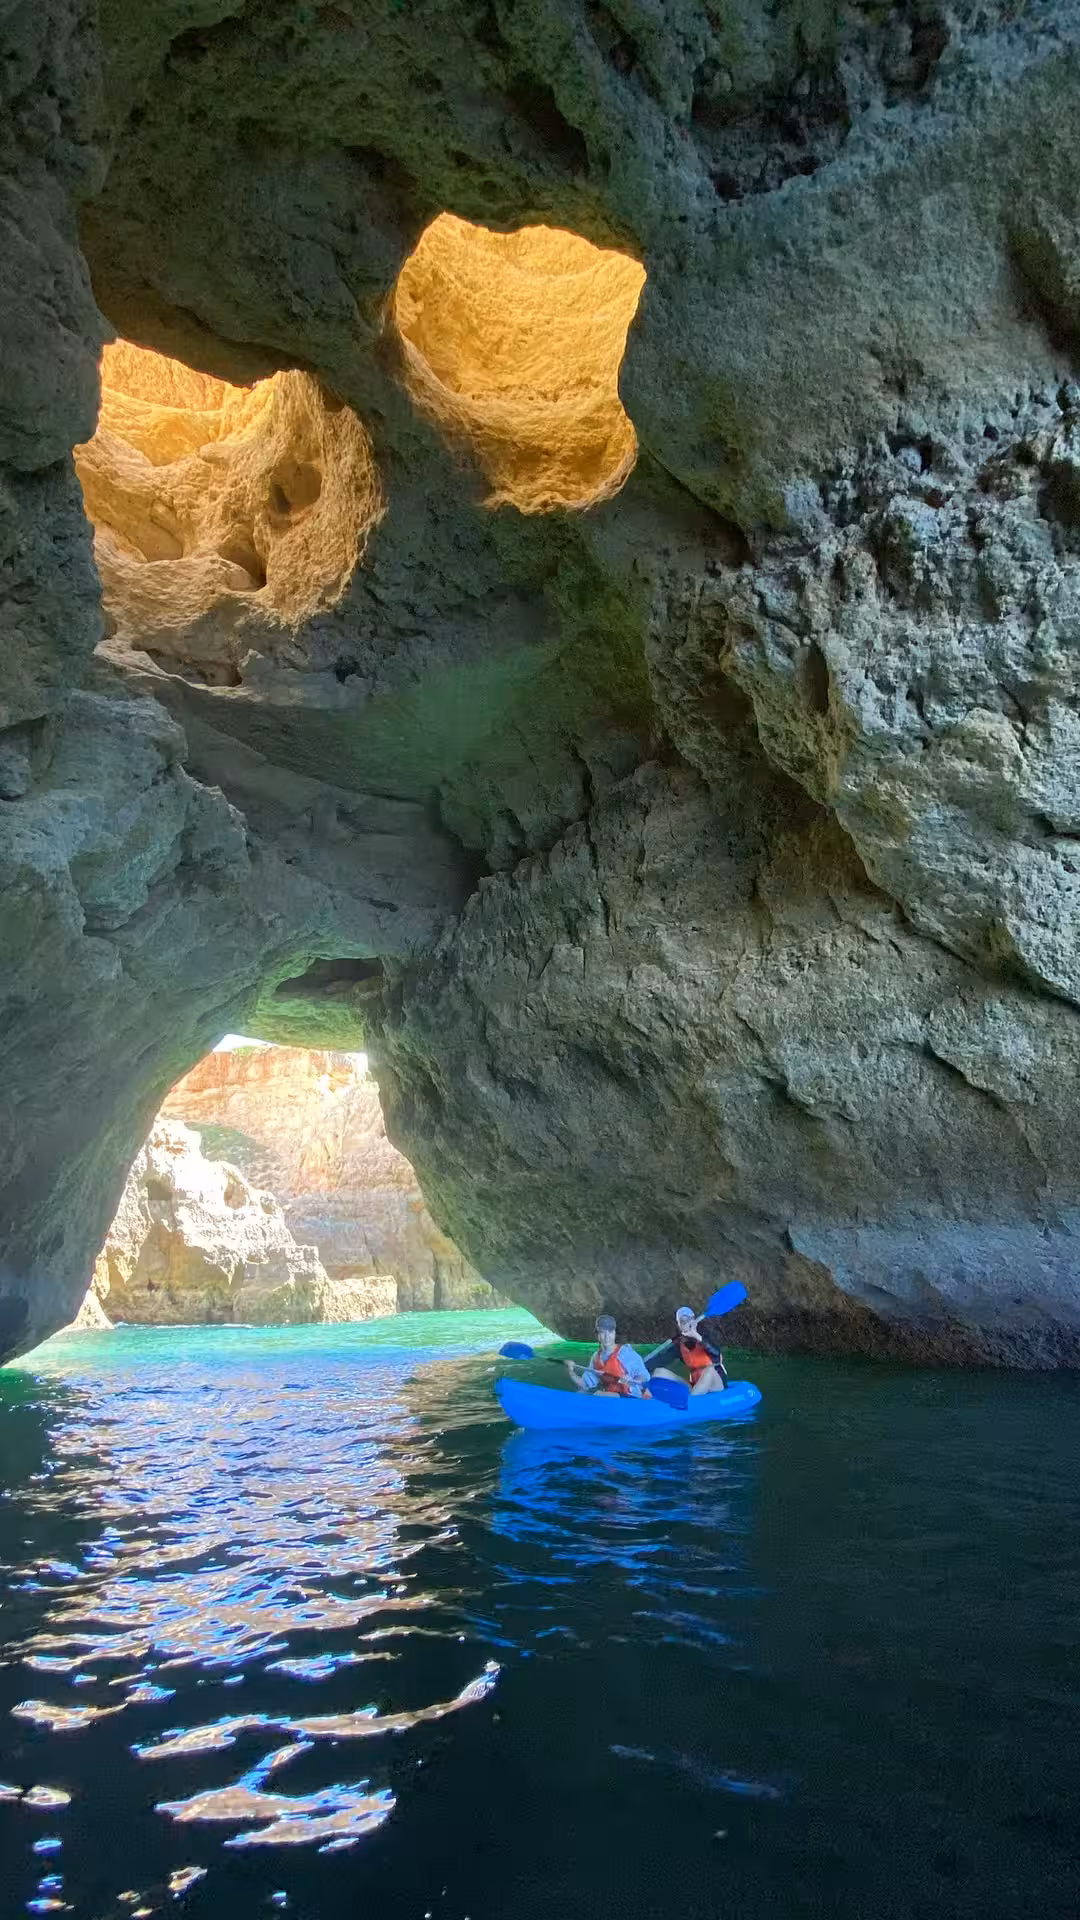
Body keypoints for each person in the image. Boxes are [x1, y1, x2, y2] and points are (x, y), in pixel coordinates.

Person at [646, 1305, 728, 1395]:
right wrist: (639, 1368)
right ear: (679, 1325)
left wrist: (696, 1336)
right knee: (659, 1371)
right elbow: (660, 1360)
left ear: (694, 1320)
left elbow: (716, 1353)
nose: (685, 1323)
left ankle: (691, 1404)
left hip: (716, 1384)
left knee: (709, 1371)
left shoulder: (706, 1335)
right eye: (682, 1321)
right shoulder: (679, 1344)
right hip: (695, 1386)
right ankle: (645, 1400)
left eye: (688, 1319)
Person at [566, 1313, 651, 1397]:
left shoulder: (625, 1353)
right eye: (603, 1332)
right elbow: (585, 1385)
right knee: (580, 1393)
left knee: (598, 1394)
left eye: (610, 1332)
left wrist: (631, 1380)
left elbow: (644, 1376)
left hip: (630, 1397)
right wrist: (571, 1371)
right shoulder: (596, 1357)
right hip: (610, 1398)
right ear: (598, 1335)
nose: (607, 1336)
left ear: (614, 1333)